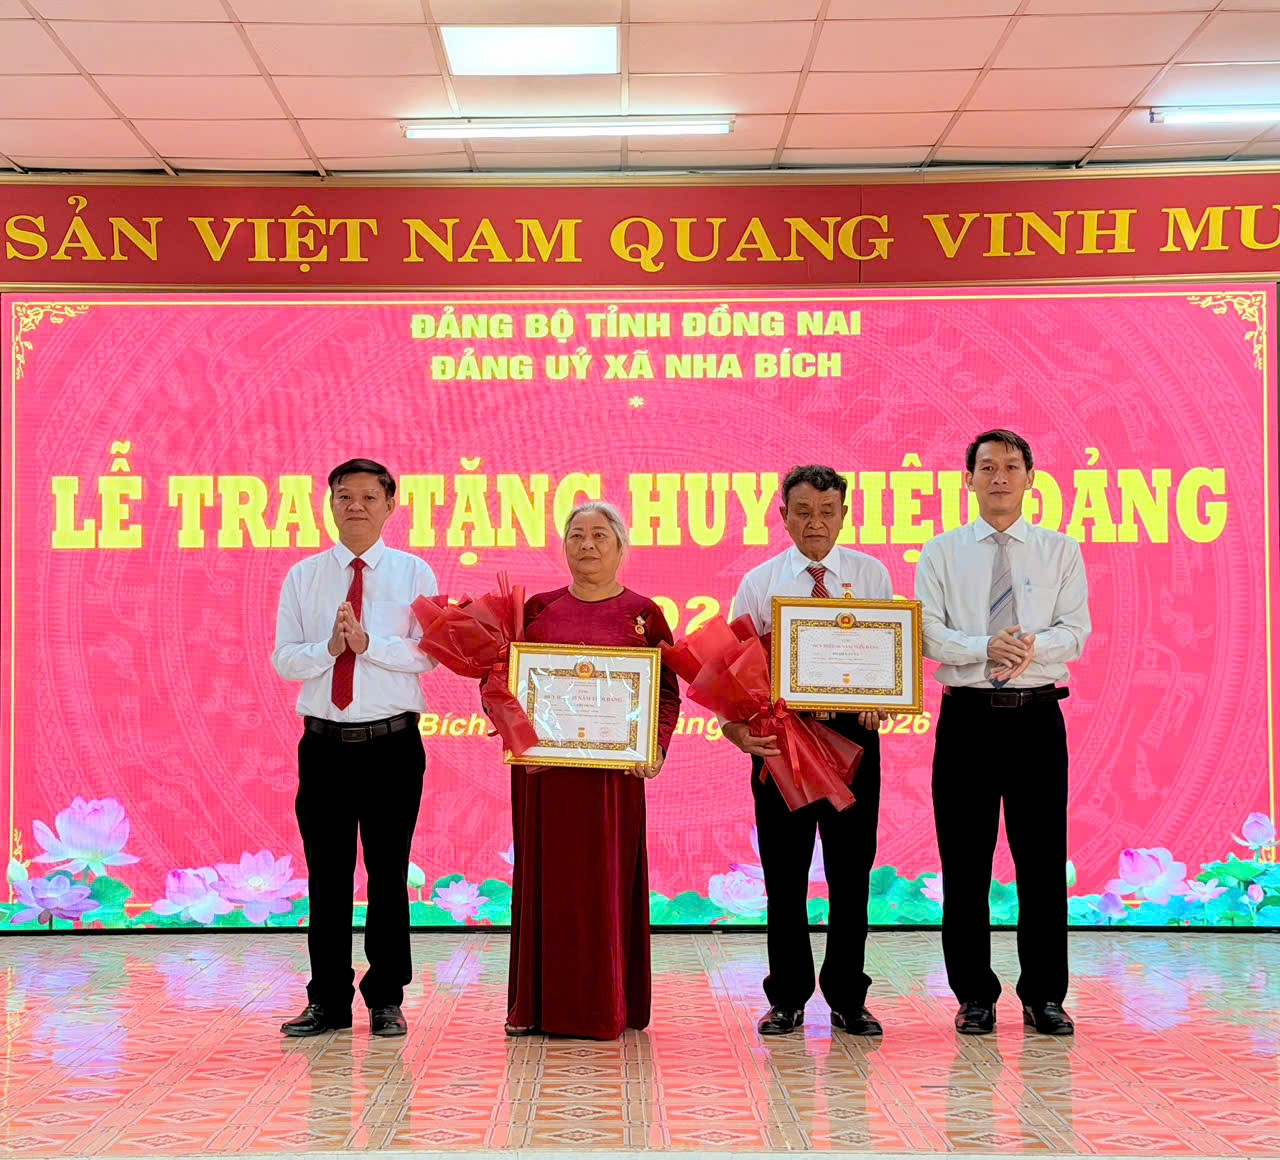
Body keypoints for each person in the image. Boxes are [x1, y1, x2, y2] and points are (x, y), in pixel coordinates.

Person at [915, 429, 1091, 1037]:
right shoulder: (940, 552)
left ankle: (1044, 995)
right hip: (966, 719)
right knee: (965, 864)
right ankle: (974, 995)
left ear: (1030, 478)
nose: (999, 477)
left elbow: (1075, 632)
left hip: (1037, 718)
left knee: (1041, 863)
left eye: (1011, 466)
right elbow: (927, 633)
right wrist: (984, 646)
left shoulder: (1060, 550)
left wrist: (1027, 647)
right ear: (968, 479)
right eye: (987, 467)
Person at [271, 458, 437, 1038]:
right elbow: (285, 658)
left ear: (391, 505)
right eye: (345, 496)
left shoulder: (414, 573)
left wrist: (368, 645)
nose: (356, 506)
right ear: (331, 504)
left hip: (392, 744)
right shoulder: (304, 576)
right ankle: (328, 1001)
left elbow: (428, 654)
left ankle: (386, 997)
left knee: (388, 874)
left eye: (369, 497)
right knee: (327, 876)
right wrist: (330, 648)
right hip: (324, 748)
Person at [725, 465, 891, 1038]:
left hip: (853, 740)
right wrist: (736, 729)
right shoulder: (760, 582)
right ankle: (787, 997)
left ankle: (848, 996)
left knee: (852, 874)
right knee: (785, 875)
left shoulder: (870, 575)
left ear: (844, 515)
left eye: (826, 511)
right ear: (783, 516)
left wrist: (880, 700)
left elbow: (887, 657)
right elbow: (734, 669)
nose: (815, 522)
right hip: (781, 742)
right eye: (803, 512)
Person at [505, 501, 680, 1039]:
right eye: (576, 535)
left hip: (613, 779)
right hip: (545, 775)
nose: (587, 545)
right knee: (547, 881)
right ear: (563, 546)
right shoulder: (537, 609)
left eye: (600, 535)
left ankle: (608, 1006)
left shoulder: (645, 613)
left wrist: (654, 746)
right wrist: (513, 726)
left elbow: (666, 693)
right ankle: (535, 1007)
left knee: (605, 884)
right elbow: (503, 684)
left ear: (621, 546)